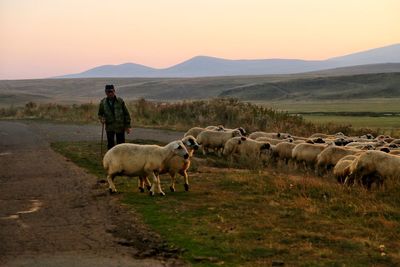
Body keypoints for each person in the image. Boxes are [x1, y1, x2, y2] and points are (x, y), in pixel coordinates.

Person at [98, 84, 132, 149]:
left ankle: (121, 158)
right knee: (110, 145)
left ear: (114, 91)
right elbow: (100, 114)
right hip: (109, 127)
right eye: (108, 92)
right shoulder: (103, 102)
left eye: (111, 91)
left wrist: (128, 126)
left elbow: (126, 114)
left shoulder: (120, 101)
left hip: (120, 126)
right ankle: (111, 158)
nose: (110, 93)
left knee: (121, 145)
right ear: (105, 92)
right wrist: (102, 119)